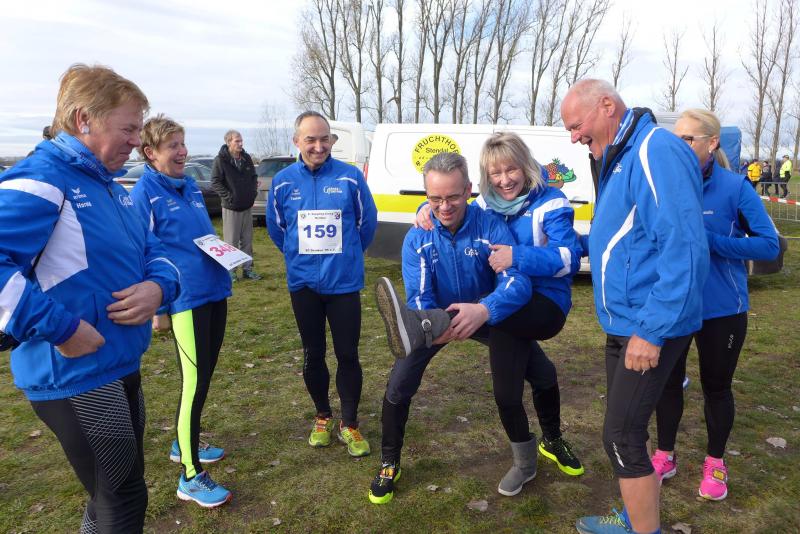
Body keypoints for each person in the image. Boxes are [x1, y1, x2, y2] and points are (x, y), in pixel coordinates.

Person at [0, 64, 180, 533]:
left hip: (119, 361)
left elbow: (155, 250)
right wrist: (60, 329)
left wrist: (159, 288)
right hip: (75, 374)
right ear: (84, 120)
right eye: (128, 129)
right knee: (123, 497)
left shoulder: (108, 186)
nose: (136, 142)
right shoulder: (44, 177)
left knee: (113, 496)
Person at [560, 79, 708, 534]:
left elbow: (684, 247)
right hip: (626, 321)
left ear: (607, 105)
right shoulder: (618, 154)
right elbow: (625, 236)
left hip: (648, 324)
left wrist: (652, 330)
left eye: (576, 125)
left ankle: (645, 529)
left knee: (621, 437)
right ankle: (632, 517)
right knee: (629, 430)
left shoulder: (653, 149)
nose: (574, 137)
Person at [413, 132, 585, 482]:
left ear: (526, 166)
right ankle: (547, 443)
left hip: (543, 302)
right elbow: (454, 206)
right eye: (496, 173)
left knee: (504, 374)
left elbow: (569, 257)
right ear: (486, 177)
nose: (504, 180)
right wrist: (425, 209)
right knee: (536, 376)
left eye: (511, 170)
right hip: (505, 302)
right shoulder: (488, 205)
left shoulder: (552, 201)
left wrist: (516, 256)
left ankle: (530, 459)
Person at [369, 151, 539, 504]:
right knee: (399, 385)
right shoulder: (418, 236)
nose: (444, 207)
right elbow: (420, 298)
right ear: (425, 195)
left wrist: (485, 309)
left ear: (469, 190)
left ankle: (548, 442)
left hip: (486, 313)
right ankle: (389, 461)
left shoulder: (490, 226)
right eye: (434, 198)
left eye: (453, 197)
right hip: (438, 319)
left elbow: (517, 283)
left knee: (541, 371)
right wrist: (435, 328)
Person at [652, 109, 779, 501]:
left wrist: (712, 242)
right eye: (676, 139)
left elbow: (769, 245)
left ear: (712, 143)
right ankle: (665, 455)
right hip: (673, 306)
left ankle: (715, 463)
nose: (680, 146)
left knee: (716, 388)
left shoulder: (735, 187)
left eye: (688, 139)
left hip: (721, 310)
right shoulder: (665, 183)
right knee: (667, 385)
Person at [130, 115, 234, 508]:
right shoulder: (145, 192)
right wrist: (159, 308)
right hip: (184, 298)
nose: (182, 152)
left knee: (204, 376)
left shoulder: (189, 186)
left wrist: (224, 253)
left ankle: (182, 442)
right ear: (150, 152)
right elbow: (140, 251)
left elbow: (200, 236)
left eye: (183, 143)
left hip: (213, 289)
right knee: (193, 382)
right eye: (172, 146)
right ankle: (190, 475)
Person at [267, 111, 377, 458]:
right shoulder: (283, 181)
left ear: (331, 140)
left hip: (343, 283)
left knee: (348, 354)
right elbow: (277, 229)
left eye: (324, 138)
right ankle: (322, 416)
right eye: (310, 139)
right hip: (304, 285)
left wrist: (347, 255)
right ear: (296, 142)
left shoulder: (350, 177)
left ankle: (350, 422)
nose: (318, 146)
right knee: (312, 354)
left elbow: (366, 224)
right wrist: (298, 256)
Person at [211, 129, 261, 281]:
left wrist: (252, 194)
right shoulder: (221, 160)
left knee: (247, 240)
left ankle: (247, 269)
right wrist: (229, 197)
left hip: (247, 206)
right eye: (237, 141)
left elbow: (253, 177)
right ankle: (231, 271)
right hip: (231, 207)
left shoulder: (246, 158)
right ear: (228, 142)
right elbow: (215, 182)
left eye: (241, 140)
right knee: (231, 241)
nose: (240, 143)